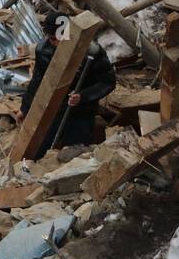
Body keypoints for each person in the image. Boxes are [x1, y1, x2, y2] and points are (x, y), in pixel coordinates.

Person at [17, 11, 116, 158]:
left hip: (81, 111)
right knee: (40, 150)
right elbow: (37, 82)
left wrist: (83, 96)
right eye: (52, 39)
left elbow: (108, 82)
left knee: (76, 153)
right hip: (54, 108)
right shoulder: (43, 51)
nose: (57, 44)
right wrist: (25, 108)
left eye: (61, 39)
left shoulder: (92, 52)